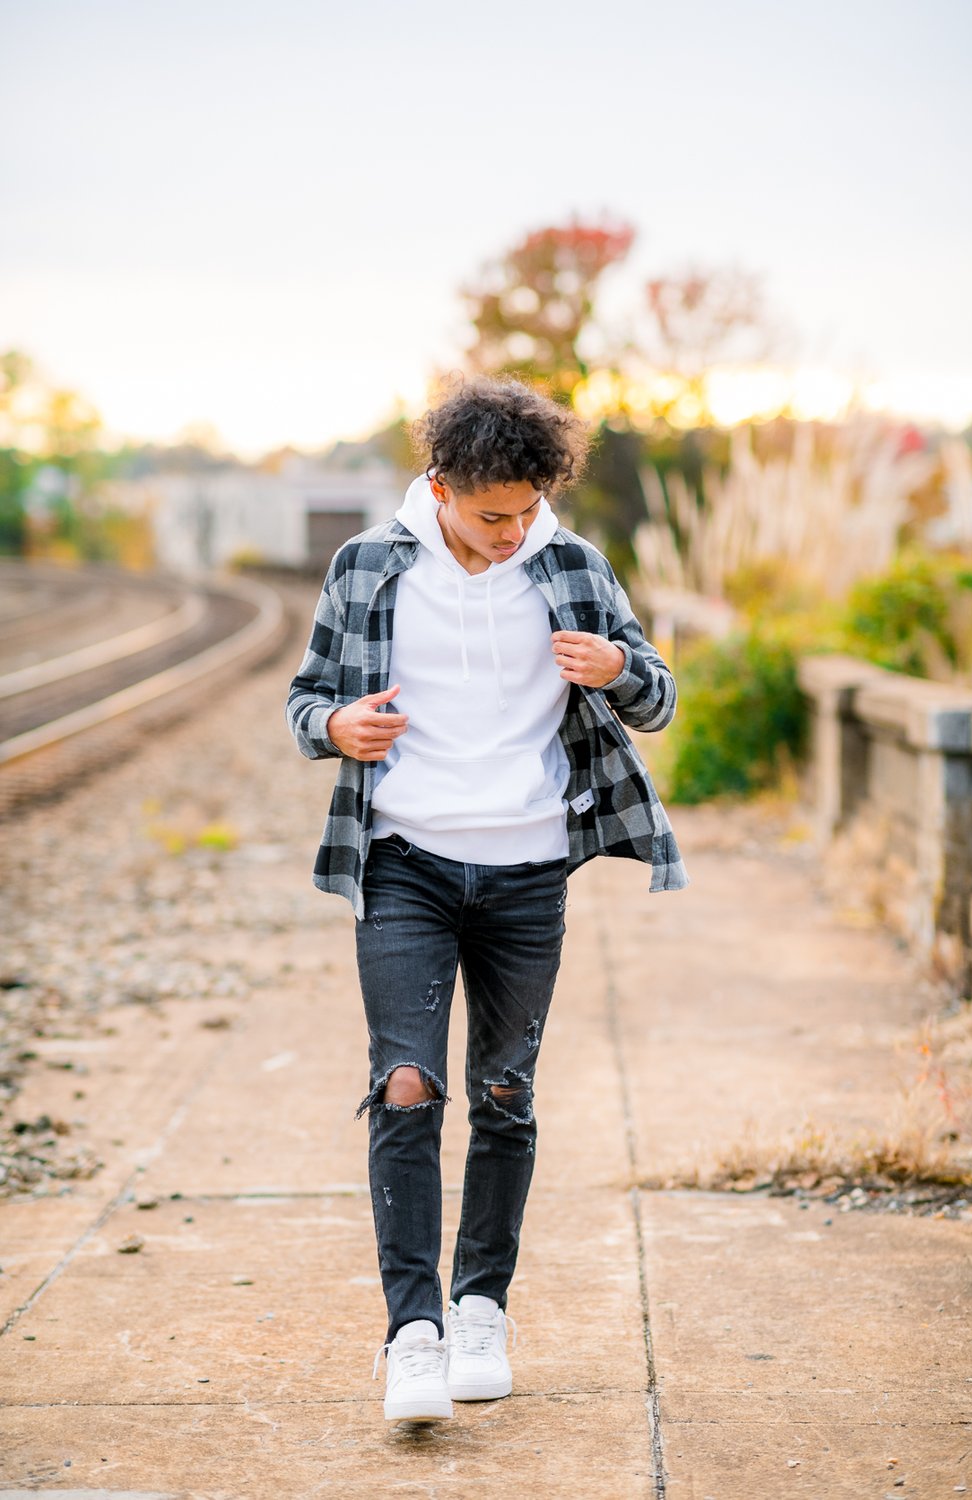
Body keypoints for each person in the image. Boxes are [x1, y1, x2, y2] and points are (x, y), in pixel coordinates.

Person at [285, 373, 690, 1424]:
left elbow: (656, 693)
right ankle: (411, 1333)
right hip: (404, 859)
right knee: (409, 1083)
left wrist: (612, 667)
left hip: (525, 871)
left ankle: (480, 1311)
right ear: (439, 484)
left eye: (527, 511)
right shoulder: (369, 566)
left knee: (505, 1094)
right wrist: (336, 730)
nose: (513, 534)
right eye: (491, 515)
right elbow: (304, 700)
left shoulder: (569, 564)